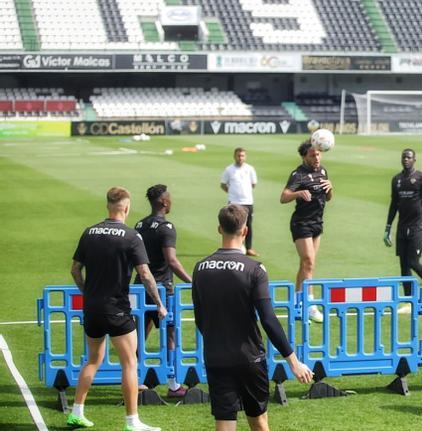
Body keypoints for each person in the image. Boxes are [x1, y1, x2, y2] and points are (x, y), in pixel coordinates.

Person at [192, 205, 313, 430]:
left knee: (224, 423)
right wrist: (293, 362)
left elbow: (200, 318)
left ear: (219, 229)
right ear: (245, 231)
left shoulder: (200, 268)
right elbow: (268, 319)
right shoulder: (254, 269)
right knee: (258, 421)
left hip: (216, 357)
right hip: (249, 358)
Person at [68, 187, 166, 431]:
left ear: (108, 206)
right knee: (129, 363)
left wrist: (86, 292)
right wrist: (159, 304)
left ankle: (76, 412)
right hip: (117, 310)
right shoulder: (131, 236)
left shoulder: (89, 232)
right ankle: (132, 421)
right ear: (127, 207)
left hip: (92, 307)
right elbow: (145, 274)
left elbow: (75, 269)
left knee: (92, 360)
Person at [134, 184, 192, 398]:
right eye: (170, 197)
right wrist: (191, 282)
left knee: (140, 334)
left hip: (140, 287)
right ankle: (174, 384)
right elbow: (172, 261)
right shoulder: (166, 228)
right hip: (161, 290)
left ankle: (136, 378)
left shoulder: (139, 225)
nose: (172, 200)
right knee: (170, 334)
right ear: (164, 202)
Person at [281, 140, 333, 323]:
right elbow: (283, 196)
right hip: (301, 223)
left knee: (306, 265)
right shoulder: (298, 175)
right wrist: (298, 193)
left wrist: (330, 188)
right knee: (309, 261)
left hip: (317, 223)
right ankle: (310, 306)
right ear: (304, 157)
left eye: (318, 154)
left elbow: (328, 197)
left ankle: (296, 303)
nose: (317, 158)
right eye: (312, 155)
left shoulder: (323, 171)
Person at [384, 149, 422, 299]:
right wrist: (388, 227)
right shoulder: (396, 179)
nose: (406, 160)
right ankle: (409, 299)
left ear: (414, 160)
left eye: (409, 157)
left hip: (418, 226)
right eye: (404, 157)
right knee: (403, 265)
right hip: (402, 227)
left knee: (413, 261)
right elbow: (393, 205)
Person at [221, 147, 259, 257]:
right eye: (238, 155)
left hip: (247, 201)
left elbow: (253, 184)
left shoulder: (250, 169)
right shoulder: (229, 169)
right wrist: (232, 193)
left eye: (242, 155)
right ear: (234, 156)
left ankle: (249, 248)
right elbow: (223, 184)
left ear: (245, 157)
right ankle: (231, 247)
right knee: (232, 225)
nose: (240, 158)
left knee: (248, 225)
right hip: (234, 202)